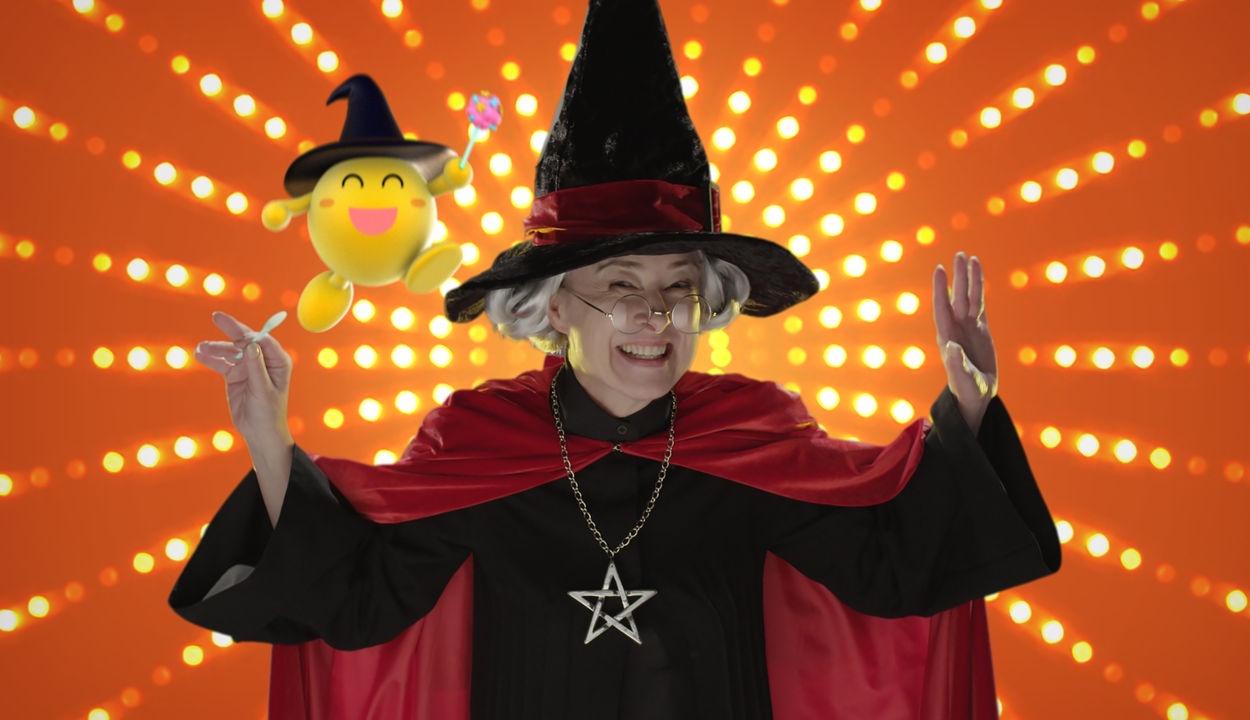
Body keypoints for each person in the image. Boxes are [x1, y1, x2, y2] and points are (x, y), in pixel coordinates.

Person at [170, 1, 1061, 717]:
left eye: (678, 285)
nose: (655, 314)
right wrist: (268, 440)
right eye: (621, 284)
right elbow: (356, 598)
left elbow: (894, 568)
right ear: (554, 304)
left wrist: (968, 407)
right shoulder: (477, 443)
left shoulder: (755, 437)